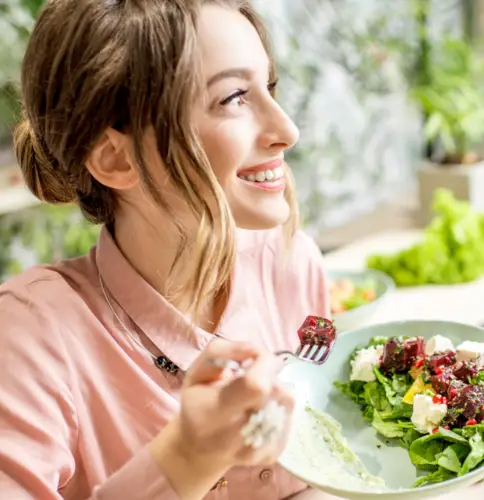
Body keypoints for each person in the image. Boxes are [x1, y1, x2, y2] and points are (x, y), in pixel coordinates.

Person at [0, 0, 330, 499]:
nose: (287, 130)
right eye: (235, 97)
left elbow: (321, 453)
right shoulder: (30, 335)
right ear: (115, 158)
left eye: (270, 87)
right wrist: (187, 457)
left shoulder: (291, 263)